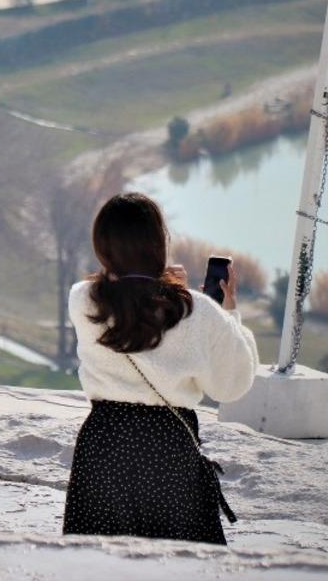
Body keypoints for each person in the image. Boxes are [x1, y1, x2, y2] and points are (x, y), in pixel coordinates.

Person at [63, 192, 259, 545]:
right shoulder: (196, 310)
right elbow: (232, 384)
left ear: (102, 245)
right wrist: (227, 312)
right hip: (168, 448)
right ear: (159, 242)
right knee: (177, 561)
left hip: (103, 445)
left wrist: (153, 285)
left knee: (96, 560)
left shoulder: (83, 299)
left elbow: (124, 299)